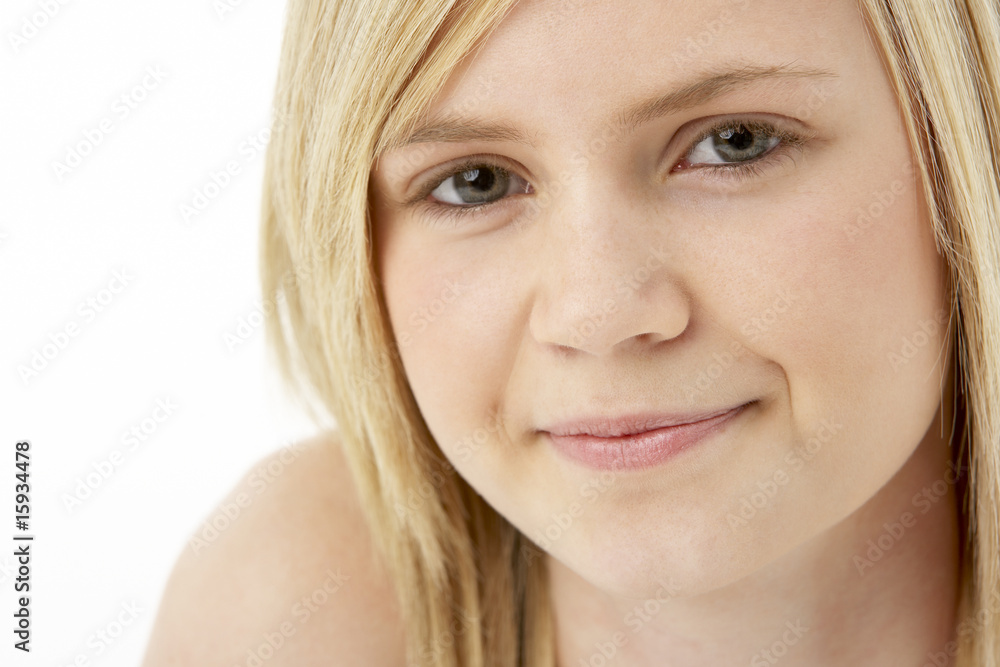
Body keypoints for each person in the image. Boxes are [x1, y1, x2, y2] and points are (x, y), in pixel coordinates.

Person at [141, 0, 1000, 665]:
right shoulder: (293, 612)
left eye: (734, 144)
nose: (597, 314)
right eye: (475, 183)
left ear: (961, 148)